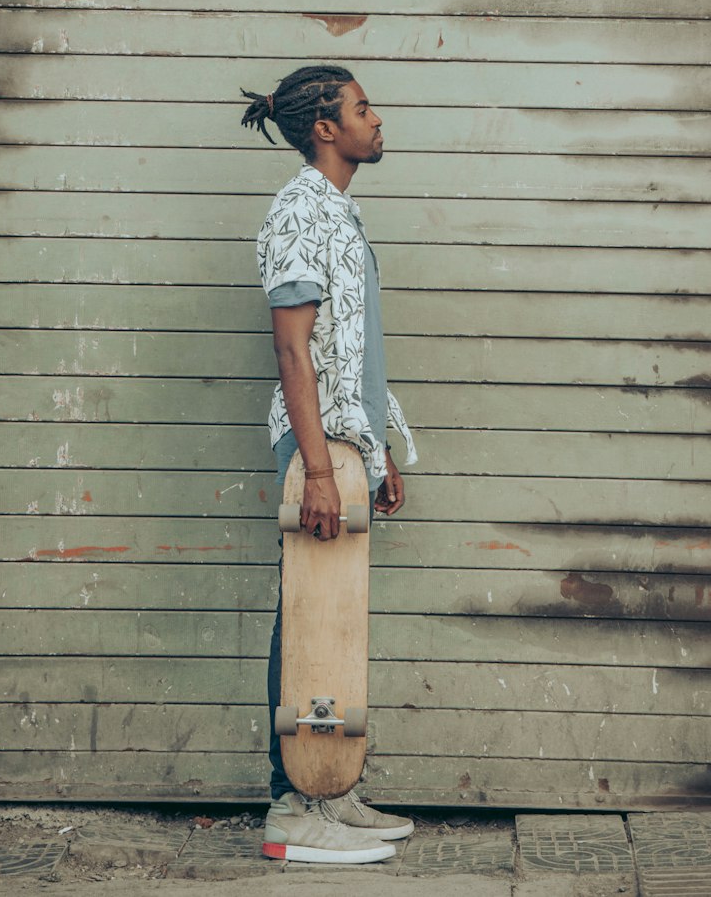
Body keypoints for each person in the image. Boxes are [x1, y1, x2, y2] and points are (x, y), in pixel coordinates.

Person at [240, 63, 418, 864]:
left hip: (343, 448)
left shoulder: (338, 212)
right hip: (315, 452)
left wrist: (375, 452)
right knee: (306, 614)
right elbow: (292, 346)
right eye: (362, 108)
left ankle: (330, 791)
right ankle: (292, 807)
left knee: (330, 621)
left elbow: (351, 350)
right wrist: (316, 470)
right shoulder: (299, 210)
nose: (376, 120)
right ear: (325, 128)